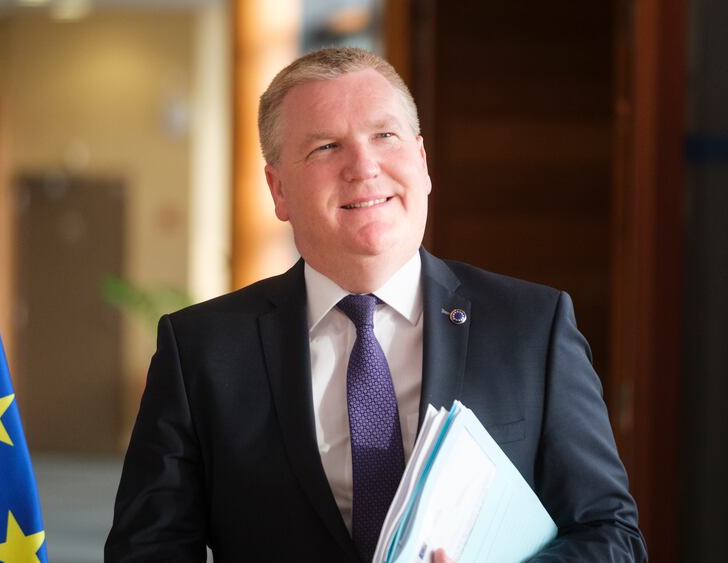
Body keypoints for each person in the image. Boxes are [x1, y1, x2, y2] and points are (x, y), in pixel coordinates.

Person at [105, 47, 647, 562]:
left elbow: (611, 534)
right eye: (325, 147)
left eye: (384, 135)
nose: (363, 166)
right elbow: (147, 550)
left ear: (422, 161)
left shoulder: (532, 327)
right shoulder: (202, 349)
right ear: (278, 191)